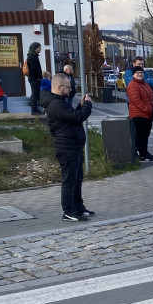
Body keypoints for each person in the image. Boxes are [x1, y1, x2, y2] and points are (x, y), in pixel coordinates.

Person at [41, 78, 94, 222]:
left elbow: (71, 117)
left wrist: (81, 106)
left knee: (77, 179)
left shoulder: (59, 102)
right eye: (68, 87)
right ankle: (69, 211)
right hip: (66, 147)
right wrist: (87, 105)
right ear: (59, 87)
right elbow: (77, 117)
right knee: (69, 181)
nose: (70, 90)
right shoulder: (55, 104)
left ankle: (78, 207)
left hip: (73, 145)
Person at [126, 66, 153, 163]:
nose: (140, 74)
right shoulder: (133, 85)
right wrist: (148, 110)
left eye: (141, 72)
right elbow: (136, 101)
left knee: (145, 136)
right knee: (140, 136)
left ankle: (144, 153)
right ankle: (142, 155)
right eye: (137, 73)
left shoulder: (144, 84)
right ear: (133, 74)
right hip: (139, 115)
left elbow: (151, 97)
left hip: (147, 115)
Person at [26, 42, 44, 114]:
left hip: (33, 78)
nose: (40, 49)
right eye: (39, 47)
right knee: (35, 94)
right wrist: (39, 77)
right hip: (34, 78)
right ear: (35, 48)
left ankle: (35, 109)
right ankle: (34, 110)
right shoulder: (33, 57)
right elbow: (34, 69)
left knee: (35, 94)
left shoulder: (32, 56)